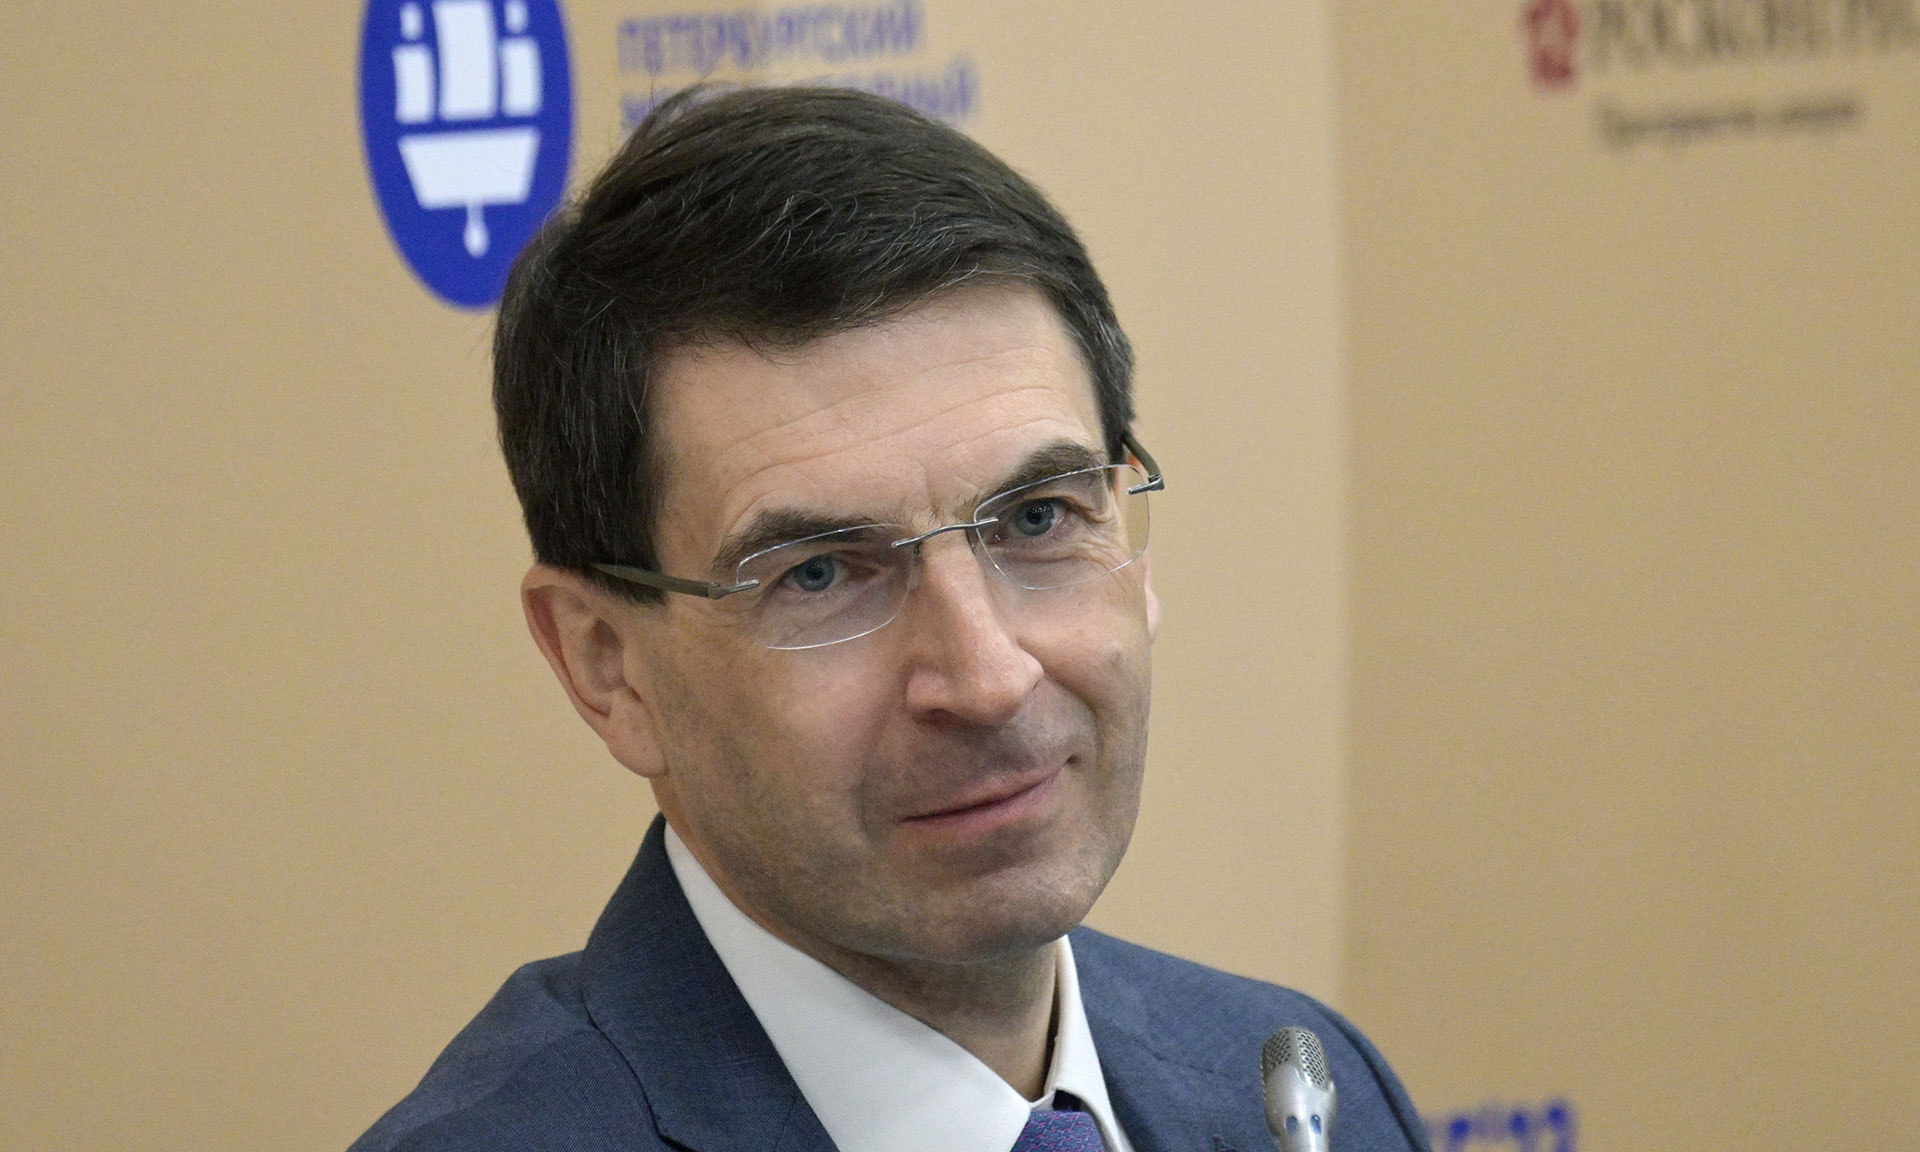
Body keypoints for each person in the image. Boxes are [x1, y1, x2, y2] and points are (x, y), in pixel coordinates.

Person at [350, 85, 1428, 1152]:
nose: (989, 678)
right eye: (821, 575)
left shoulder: (1298, 1095)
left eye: (1039, 518)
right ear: (607, 665)